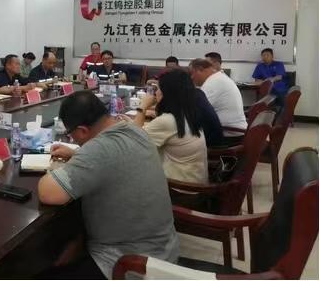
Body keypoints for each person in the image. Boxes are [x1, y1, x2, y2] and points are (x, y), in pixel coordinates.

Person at [37, 91, 179, 279]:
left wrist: (56, 167)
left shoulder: (99, 150)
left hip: (128, 265)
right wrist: (77, 156)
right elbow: (113, 160)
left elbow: (48, 193)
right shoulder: (134, 130)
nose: (72, 139)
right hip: (164, 252)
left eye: (70, 134)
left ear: (82, 130)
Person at [130, 70, 208, 183]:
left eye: (159, 89)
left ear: (167, 93)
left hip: (179, 187)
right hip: (196, 181)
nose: (156, 93)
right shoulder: (189, 113)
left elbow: (133, 142)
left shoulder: (167, 121)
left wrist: (142, 106)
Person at [189, 58, 247, 143]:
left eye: (192, 73)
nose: (191, 77)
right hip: (235, 131)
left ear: (200, 70)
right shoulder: (218, 78)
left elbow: (194, 110)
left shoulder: (212, 83)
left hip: (229, 134)